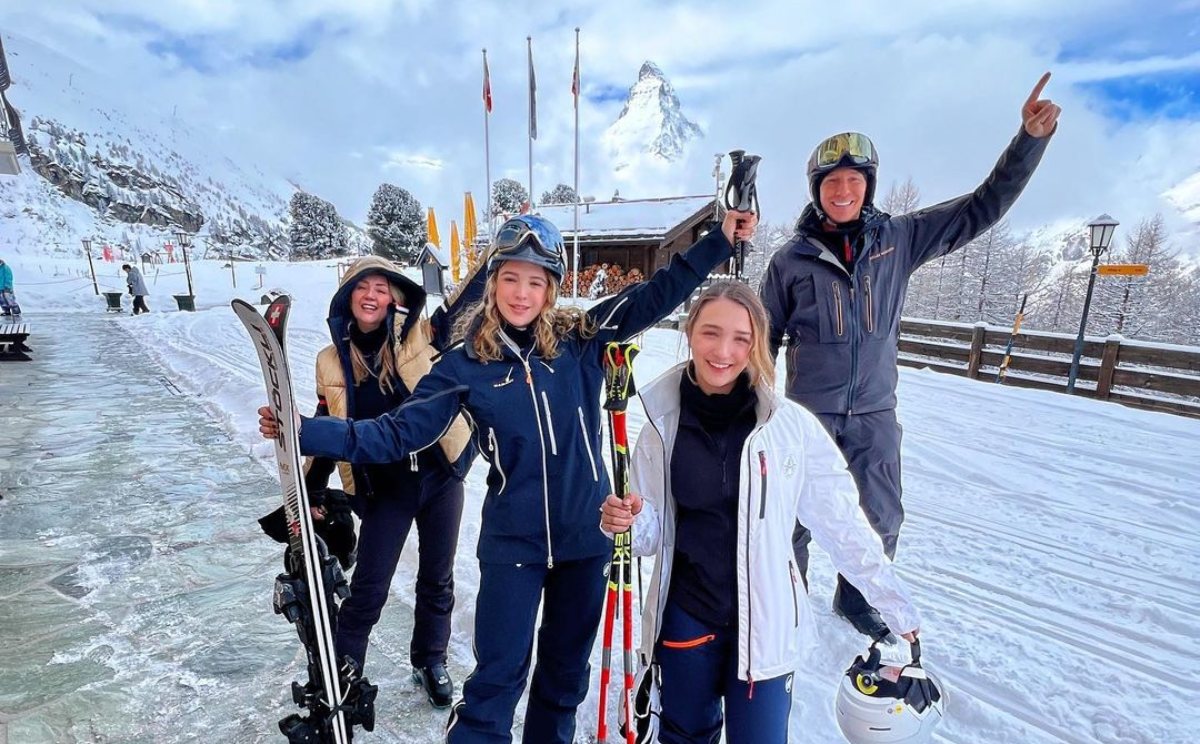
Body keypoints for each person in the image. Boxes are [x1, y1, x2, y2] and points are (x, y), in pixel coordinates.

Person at [259, 210, 754, 743]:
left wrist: (718, 242)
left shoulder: (583, 340)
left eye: (536, 281)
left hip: (586, 545)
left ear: (551, 290)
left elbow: (659, 292)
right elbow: (395, 433)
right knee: (497, 681)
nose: (522, 294)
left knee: (564, 681)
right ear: (493, 283)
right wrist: (307, 432)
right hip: (510, 547)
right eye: (511, 278)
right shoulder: (464, 365)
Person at [759, 72, 1061, 640]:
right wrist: (762, 409)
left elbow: (980, 207)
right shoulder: (790, 261)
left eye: (854, 179)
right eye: (831, 182)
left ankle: (856, 596)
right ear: (815, 189)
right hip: (808, 415)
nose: (843, 190)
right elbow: (763, 339)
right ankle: (788, 593)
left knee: (880, 516)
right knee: (793, 513)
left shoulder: (901, 239)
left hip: (874, 412)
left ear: (868, 186)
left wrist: (1028, 140)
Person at [600, 281, 921, 744]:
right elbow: (653, 535)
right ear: (690, 332)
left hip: (768, 626)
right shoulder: (659, 425)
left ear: (757, 345)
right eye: (711, 333)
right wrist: (628, 519)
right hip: (687, 615)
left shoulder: (789, 429)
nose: (723, 351)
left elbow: (841, 523)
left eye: (741, 338)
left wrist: (891, 600)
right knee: (684, 736)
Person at [258, 255, 476, 708]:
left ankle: (430, 658)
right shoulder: (330, 362)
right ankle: (343, 668)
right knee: (369, 590)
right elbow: (327, 421)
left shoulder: (423, 335)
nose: (372, 295)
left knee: (438, 578)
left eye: (382, 288)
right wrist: (309, 488)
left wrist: (500, 258)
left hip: (439, 476)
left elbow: (464, 308)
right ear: (348, 297)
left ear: (395, 298)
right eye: (363, 286)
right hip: (385, 488)